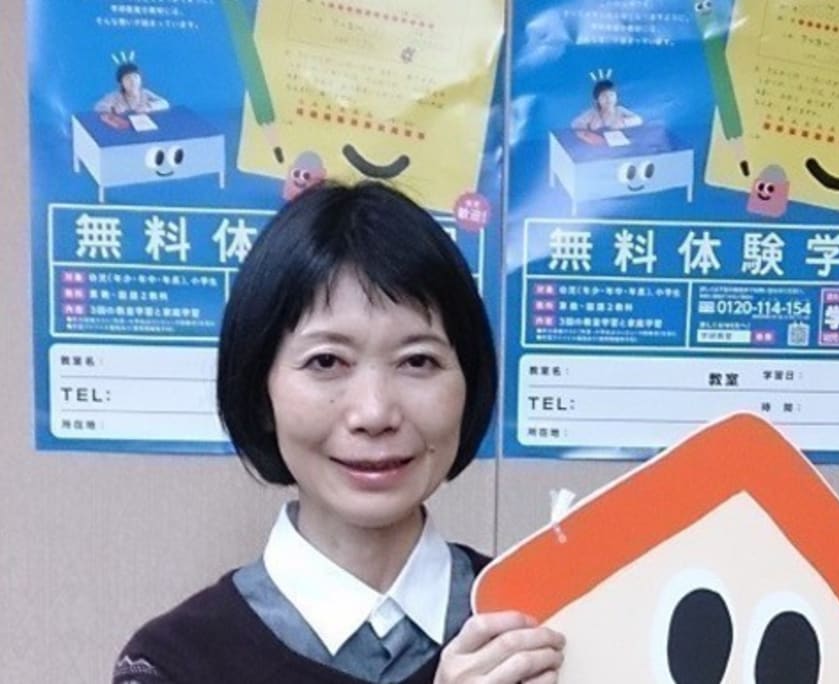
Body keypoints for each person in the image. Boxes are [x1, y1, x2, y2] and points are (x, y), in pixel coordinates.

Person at [112, 182, 565, 683]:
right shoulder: (173, 662)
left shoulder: (548, 622)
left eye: (418, 361)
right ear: (261, 392)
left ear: (469, 383)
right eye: (326, 361)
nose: (374, 412)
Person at [94, 62, 170, 115]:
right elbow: (97, 107)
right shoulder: (115, 96)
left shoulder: (145, 93)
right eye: (128, 78)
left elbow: (164, 103)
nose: (133, 81)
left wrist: (149, 106)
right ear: (121, 83)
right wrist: (112, 109)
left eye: (136, 77)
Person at [571, 79, 642, 131]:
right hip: (598, 143)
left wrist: (623, 123)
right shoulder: (593, 113)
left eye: (611, 95)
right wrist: (585, 130)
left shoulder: (620, 110)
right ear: (597, 99)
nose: (608, 99)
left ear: (616, 97)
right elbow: (575, 124)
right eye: (604, 96)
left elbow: (638, 120)